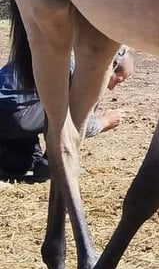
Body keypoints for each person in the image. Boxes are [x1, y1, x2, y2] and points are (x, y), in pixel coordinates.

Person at [0, 46, 134, 182]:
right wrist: (104, 122)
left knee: (19, 164)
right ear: (110, 66)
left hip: (10, 117)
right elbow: (78, 123)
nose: (111, 88)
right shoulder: (73, 69)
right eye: (117, 80)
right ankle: (51, 166)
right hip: (17, 117)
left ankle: (19, 158)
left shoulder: (46, 54)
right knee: (69, 109)